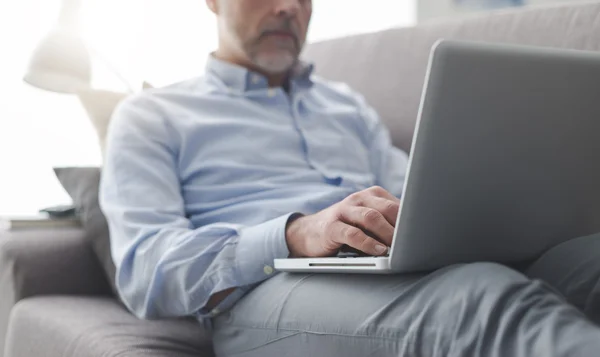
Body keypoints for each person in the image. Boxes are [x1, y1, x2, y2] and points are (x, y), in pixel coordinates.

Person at [99, 0, 600, 356]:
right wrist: (296, 234)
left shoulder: (347, 106)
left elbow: (417, 191)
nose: (287, 8)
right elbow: (146, 272)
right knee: (479, 299)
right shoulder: (150, 115)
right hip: (264, 292)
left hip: (387, 265)